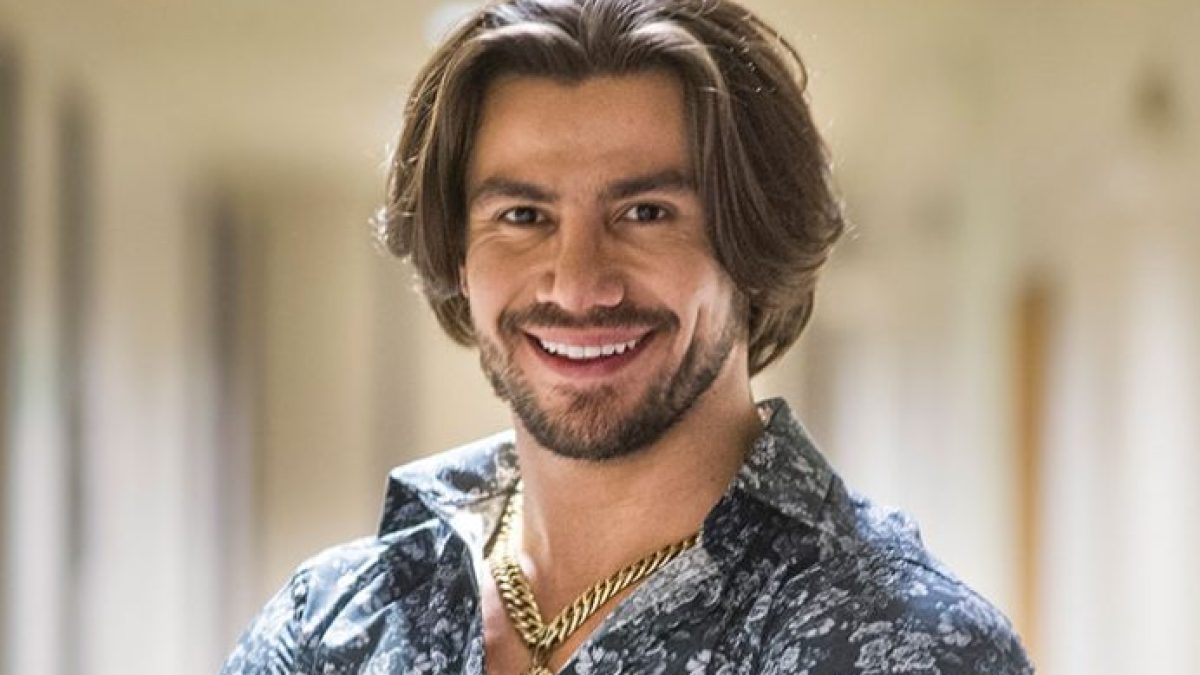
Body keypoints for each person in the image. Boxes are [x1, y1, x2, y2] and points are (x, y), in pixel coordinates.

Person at [221, 1, 1033, 673]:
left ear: (754, 248)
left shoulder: (901, 645)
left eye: (646, 213)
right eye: (523, 215)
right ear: (460, 259)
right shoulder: (331, 628)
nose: (578, 284)